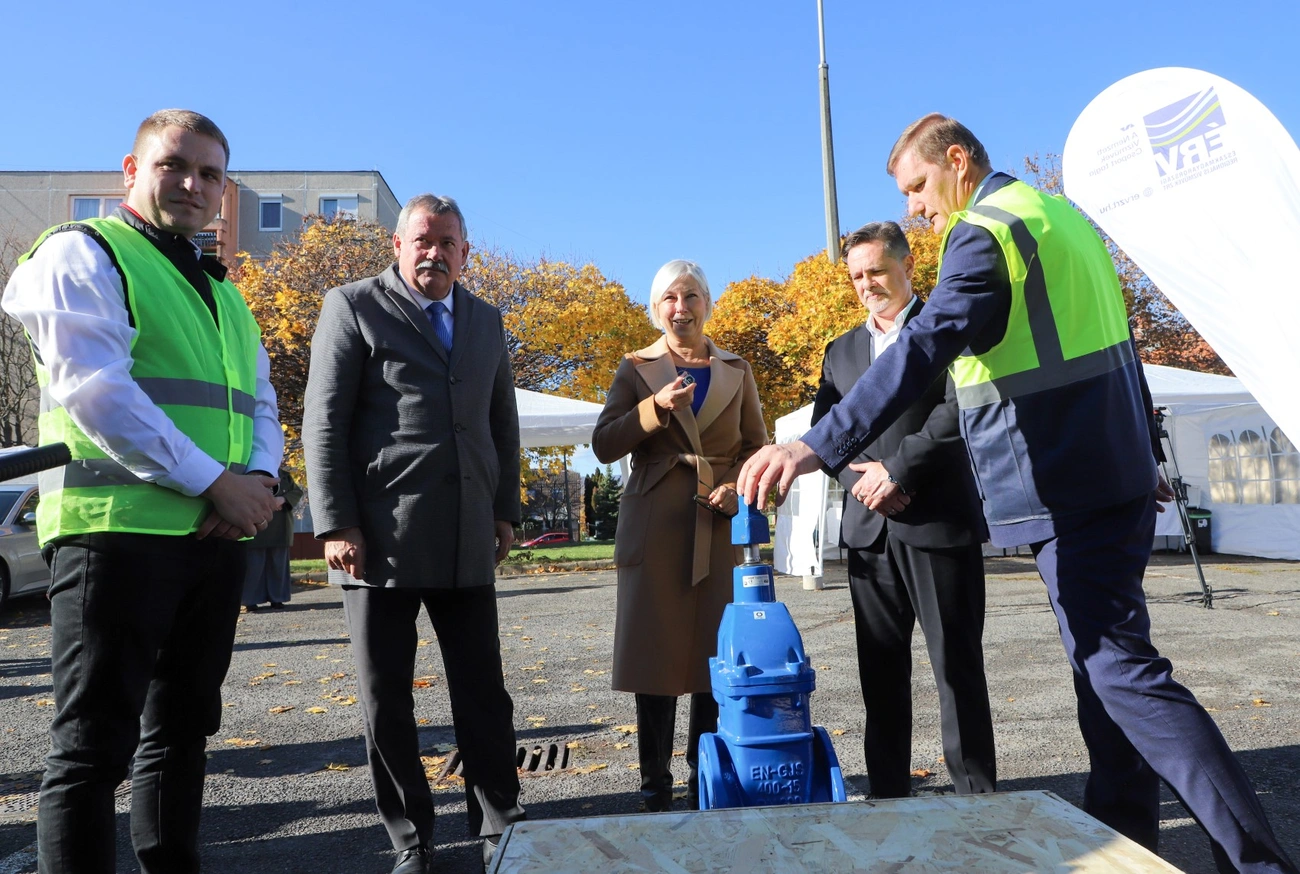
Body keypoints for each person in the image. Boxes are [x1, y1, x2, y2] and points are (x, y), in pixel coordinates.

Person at [738, 115, 1297, 873]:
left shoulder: (984, 231)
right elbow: (1118, 341)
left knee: (1119, 671)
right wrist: (1145, 455)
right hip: (1113, 476)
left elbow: (925, 346)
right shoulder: (1060, 216)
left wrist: (813, 444)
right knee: (1102, 682)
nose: (914, 208)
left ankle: (1256, 859)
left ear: (957, 162)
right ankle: (1129, 844)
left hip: (1069, 485)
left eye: (916, 186)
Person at [2, 109, 284, 874]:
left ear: (224, 190)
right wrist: (219, 485)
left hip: (211, 538)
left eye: (210, 174)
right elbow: (97, 394)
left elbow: (260, 402)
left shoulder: (223, 292)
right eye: (174, 165)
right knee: (92, 750)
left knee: (182, 733)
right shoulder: (83, 252)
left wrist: (258, 481)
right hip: (115, 533)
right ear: (131, 171)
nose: (193, 184)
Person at [302, 194, 524, 874]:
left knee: (484, 691)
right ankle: (410, 838)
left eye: (447, 242)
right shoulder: (353, 305)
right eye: (422, 240)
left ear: (466, 251)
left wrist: (505, 510)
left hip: (465, 537)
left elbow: (501, 425)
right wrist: (335, 521)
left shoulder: (486, 320)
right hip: (377, 541)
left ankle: (498, 826)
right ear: (398, 245)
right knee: (385, 696)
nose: (434, 252)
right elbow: (324, 420)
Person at [812, 220, 995, 800]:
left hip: (936, 519)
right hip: (868, 532)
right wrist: (863, 481)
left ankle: (976, 798)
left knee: (955, 670)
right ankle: (888, 794)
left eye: (877, 271)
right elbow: (825, 432)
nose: (867, 284)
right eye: (857, 275)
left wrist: (898, 472)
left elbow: (959, 410)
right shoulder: (839, 351)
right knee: (881, 675)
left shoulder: (945, 329)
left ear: (908, 266)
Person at [592, 259, 767, 812]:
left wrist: (737, 485)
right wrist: (653, 409)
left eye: (691, 296)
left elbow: (755, 447)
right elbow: (604, 444)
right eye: (669, 297)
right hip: (656, 525)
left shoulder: (738, 369)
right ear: (656, 308)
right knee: (656, 657)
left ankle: (704, 781)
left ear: (706, 304)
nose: (681, 307)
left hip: (716, 524)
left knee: (712, 660)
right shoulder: (635, 368)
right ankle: (653, 788)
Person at [241, 466, 302, 610]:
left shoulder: (284, 475)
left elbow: (296, 492)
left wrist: (283, 499)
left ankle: (277, 598)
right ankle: (250, 601)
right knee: (253, 566)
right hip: (256, 525)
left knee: (278, 565)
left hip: (280, 528)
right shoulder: (248, 473)